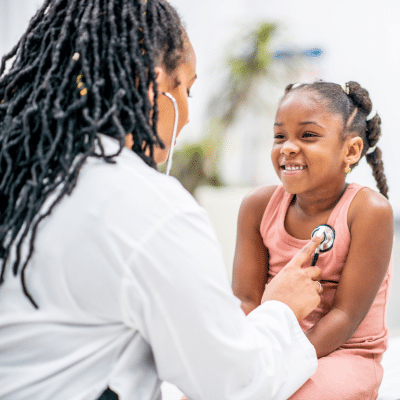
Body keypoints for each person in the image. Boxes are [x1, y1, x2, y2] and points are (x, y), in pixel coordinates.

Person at [0, 1, 323, 399]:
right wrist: (282, 311)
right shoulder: (145, 206)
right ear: (149, 87)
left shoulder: (17, 175)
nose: (187, 115)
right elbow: (231, 383)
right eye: (185, 89)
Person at [232, 81, 394, 400]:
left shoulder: (369, 212)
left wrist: (279, 365)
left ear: (351, 150)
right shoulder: (257, 207)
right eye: (280, 136)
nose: (287, 147)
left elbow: (345, 316)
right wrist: (248, 360)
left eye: (307, 135)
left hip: (345, 354)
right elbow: (247, 301)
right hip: (273, 344)